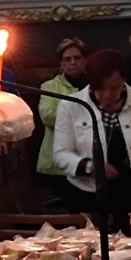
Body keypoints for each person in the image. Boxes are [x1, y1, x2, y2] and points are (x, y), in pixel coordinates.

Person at [53, 49, 131, 234]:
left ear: (124, 80)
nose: (107, 95)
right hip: (88, 196)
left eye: (114, 88)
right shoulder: (71, 105)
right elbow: (61, 154)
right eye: (100, 89)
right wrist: (90, 166)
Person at [36, 38, 88, 190]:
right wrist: (82, 117)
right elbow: (48, 116)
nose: (73, 62)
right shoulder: (49, 86)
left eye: (77, 58)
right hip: (56, 165)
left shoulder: (95, 85)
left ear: (85, 60)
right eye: (67, 59)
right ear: (61, 63)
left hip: (87, 161)